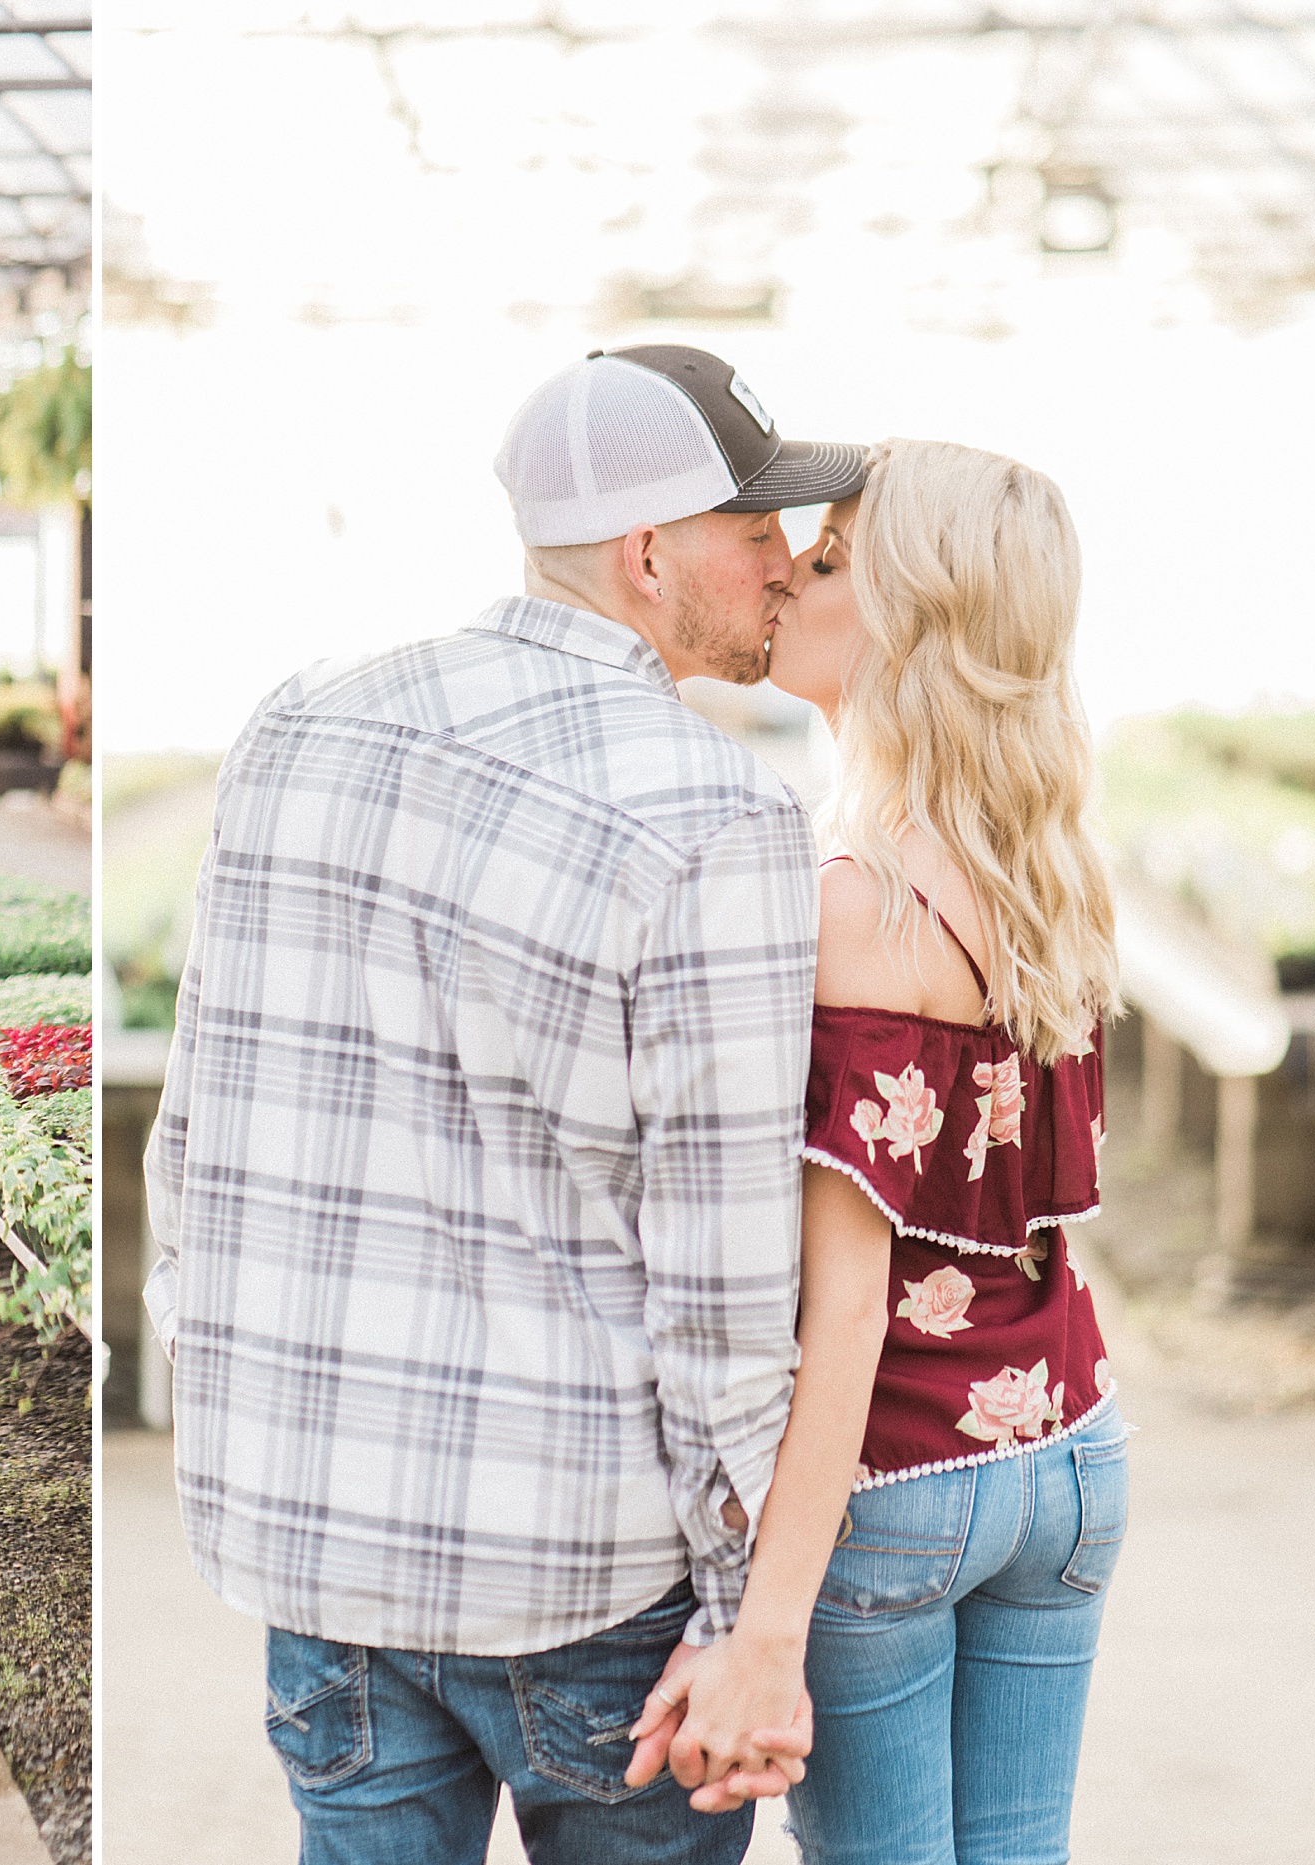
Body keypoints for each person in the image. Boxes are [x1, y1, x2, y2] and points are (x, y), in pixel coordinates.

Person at [144, 344, 867, 1861]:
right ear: (650, 552)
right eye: (759, 532)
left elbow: (195, 1134)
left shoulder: (297, 723)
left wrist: (237, 1425)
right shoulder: (714, 813)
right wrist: (749, 1626)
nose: (789, 567)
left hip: (319, 1543)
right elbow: (725, 1279)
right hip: (581, 1575)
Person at [623, 441, 1124, 1865]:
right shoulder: (1056, 867)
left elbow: (844, 1305)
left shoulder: (854, 899)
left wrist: (762, 1632)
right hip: (1072, 1452)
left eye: (832, 563)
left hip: (902, 1480)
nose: (786, 572)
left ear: (912, 624)